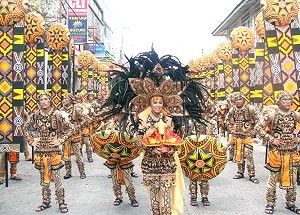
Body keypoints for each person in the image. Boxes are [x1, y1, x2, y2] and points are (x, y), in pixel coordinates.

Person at [100, 49, 206, 215]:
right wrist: (150, 147)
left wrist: (172, 148)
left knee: (166, 196)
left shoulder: (170, 117)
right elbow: (138, 139)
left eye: (160, 102)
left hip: (167, 162)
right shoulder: (142, 118)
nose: (157, 104)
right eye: (154, 102)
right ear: (149, 103)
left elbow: (177, 137)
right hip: (150, 162)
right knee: (154, 199)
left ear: (164, 103)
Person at [24, 91, 70, 213]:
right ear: (38, 102)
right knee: (43, 178)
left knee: (57, 177)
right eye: (41, 100)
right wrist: (31, 141)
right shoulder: (36, 114)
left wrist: (60, 140)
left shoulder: (57, 114)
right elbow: (25, 127)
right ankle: (46, 201)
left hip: (53, 151)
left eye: (45, 99)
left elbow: (71, 128)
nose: (43, 102)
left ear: (50, 100)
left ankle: (61, 202)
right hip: (40, 151)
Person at [254, 91, 300, 214]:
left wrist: (298, 138)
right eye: (284, 100)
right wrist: (271, 139)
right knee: (272, 179)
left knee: (293, 179)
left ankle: (290, 203)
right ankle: (270, 203)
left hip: (291, 151)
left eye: (289, 100)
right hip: (276, 152)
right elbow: (257, 127)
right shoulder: (272, 114)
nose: (287, 103)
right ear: (279, 102)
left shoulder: (295, 115)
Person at [224, 92, 260, 184]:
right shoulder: (232, 110)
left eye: (240, 99)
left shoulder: (250, 109)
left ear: (244, 100)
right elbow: (227, 120)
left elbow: (260, 120)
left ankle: (252, 174)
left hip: (247, 136)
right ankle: (240, 172)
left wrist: (254, 131)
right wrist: (231, 129)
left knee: (248, 155)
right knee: (238, 154)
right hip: (237, 136)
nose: (238, 101)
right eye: (236, 100)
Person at [61, 93, 86, 179]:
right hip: (65, 135)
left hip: (75, 135)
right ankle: (68, 172)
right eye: (63, 99)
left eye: (66, 99)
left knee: (78, 155)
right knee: (66, 154)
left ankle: (82, 172)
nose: (64, 100)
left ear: (71, 100)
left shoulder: (77, 109)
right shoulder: (62, 110)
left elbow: (84, 120)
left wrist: (77, 126)